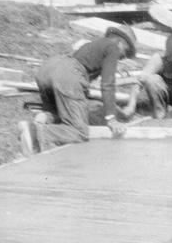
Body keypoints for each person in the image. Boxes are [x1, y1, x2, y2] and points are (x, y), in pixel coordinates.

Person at [18, 25, 137, 156]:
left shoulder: (95, 45)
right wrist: (111, 117)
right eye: (125, 53)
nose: (122, 58)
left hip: (48, 69)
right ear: (121, 42)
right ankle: (36, 132)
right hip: (68, 75)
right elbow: (108, 84)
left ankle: (41, 120)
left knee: (59, 113)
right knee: (80, 132)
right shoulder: (113, 47)